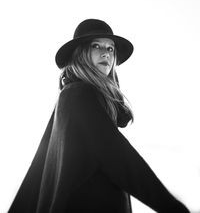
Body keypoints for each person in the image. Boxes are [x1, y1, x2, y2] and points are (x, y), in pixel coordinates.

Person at [8, 18, 190, 213]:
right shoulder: (78, 94)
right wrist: (173, 207)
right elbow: (118, 156)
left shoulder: (76, 97)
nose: (106, 53)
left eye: (110, 48)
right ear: (81, 53)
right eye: (96, 45)